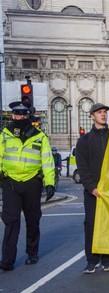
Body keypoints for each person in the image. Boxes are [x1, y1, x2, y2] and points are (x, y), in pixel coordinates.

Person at [0, 102, 55, 271]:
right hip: (10, 182)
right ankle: (7, 260)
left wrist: (50, 182)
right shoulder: (5, 134)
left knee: (33, 220)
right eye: (17, 115)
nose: (20, 118)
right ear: (13, 116)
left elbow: (47, 160)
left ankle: (32, 253)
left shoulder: (39, 136)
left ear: (28, 117)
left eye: (23, 115)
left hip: (32, 182)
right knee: (11, 221)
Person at [76, 103, 109, 274]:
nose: (103, 115)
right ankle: (92, 260)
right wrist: (91, 187)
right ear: (92, 116)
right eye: (100, 112)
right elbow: (82, 166)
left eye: (105, 112)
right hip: (92, 192)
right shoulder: (84, 140)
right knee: (91, 225)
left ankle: (107, 260)